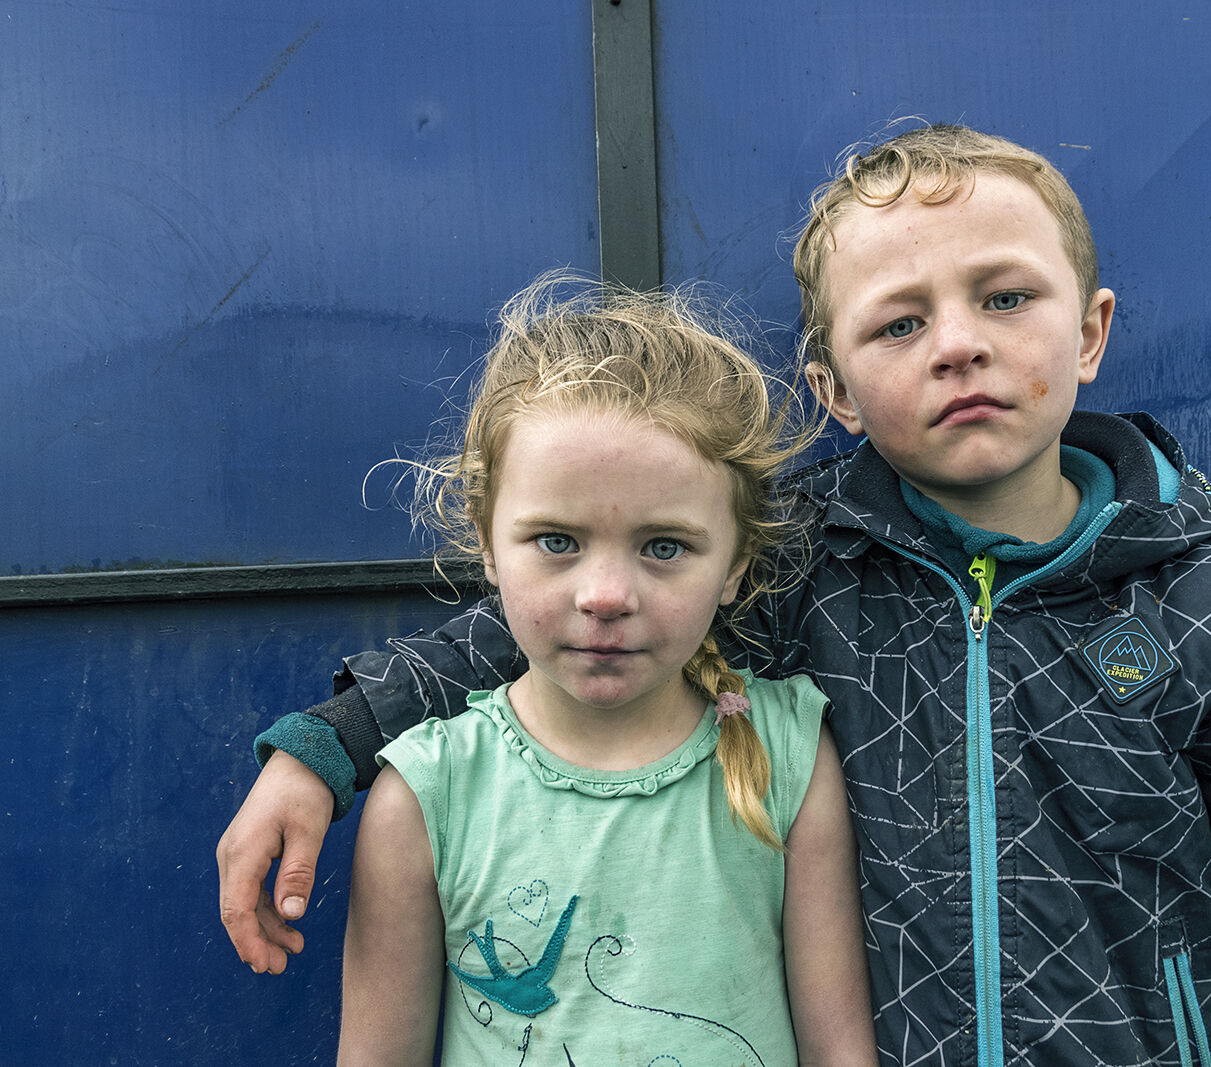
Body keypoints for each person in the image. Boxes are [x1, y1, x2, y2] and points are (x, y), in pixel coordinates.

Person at [221, 124, 1211, 1065]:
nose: (957, 344)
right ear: (832, 388)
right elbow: (559, 620)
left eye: (1005, 298)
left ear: (1090, 330)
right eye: (900, 322)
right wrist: (329, 747)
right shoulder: (795, 566)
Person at [334, 279, 876, 1064]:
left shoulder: (787, 756)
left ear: (736, 564)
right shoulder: (427, 795)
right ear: (486, 542)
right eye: (557, 540)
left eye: (665, 546)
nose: (607, 596)